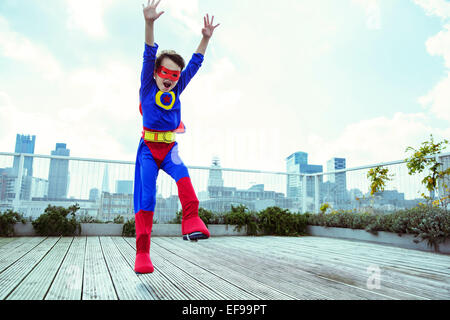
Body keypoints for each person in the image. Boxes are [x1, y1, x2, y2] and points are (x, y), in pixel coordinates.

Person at [133, 0, 220, 274]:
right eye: (165, 73)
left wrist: (204, 39)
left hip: (169, 146)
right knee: (147, 198)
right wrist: (149, 24)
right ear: (157, 74)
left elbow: (194, 65)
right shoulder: (148, 85)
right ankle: (143, 253)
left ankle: (192, 220)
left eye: (175, 74)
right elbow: (149, 54)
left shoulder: (178, 87)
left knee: (184, 179)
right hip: (148, 148)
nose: (170, 78)